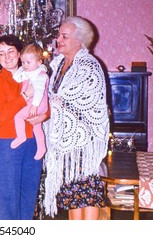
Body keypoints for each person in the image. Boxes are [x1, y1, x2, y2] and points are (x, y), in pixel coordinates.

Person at [43, 16, 109, 220]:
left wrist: (52, 106)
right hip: (65, 147)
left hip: (83, 146)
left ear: (79, 40)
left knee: (88, 197)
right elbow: (52, 98)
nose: (58, 40)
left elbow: (75, 101)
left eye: (65, 36)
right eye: (59, 35)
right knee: (72, 199)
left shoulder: (89, 66)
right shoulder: (57, 65)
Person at [0, 34, 46, 220]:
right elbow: (3, 115)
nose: (6, 57)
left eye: (11, 51)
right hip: (8, 142)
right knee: (10, 197)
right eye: (1, 53)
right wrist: (25, 96)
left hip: (34, 142)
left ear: (20, 53)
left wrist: (44, 115)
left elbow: (46, 104)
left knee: (29, 196)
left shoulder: (33, 74)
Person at [11, 44, 49, 161]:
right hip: (37, 105)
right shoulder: (32, 72)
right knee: (37, 126)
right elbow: (17, 78)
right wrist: (21, 69)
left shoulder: (40, 75)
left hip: (38, 104)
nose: (25, 65)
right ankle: (42, 147)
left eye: (28, 62)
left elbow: (38, 92)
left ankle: (21, 136)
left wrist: (34, 106)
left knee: (18, 116)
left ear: (39, 62)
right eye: (23, 62)